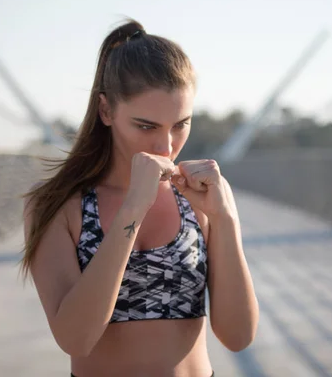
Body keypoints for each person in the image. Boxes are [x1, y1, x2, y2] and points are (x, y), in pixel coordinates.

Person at [21, 19, 259, 377]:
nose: (166, 146)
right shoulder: (57, 206)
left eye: (180, 124)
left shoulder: (199, 201)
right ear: (106, 111)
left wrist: (226, 219)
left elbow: (238, 336)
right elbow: (76, 339)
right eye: (146, 126)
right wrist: (134, 207)